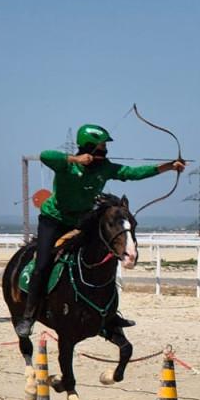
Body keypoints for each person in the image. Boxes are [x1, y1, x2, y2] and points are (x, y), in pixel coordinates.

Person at [16, 124, 186, 337]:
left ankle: (109, 314)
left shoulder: (104, 168)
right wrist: (75, 159)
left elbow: (132, 173)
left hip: (81, 220)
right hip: (54, 220)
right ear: (89, 146)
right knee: (42, 265)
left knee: (103, 256)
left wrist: (168, 167)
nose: (105, 150)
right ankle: (29, 316)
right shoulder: (67, 166)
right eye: (102, 146)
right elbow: (45, 156)